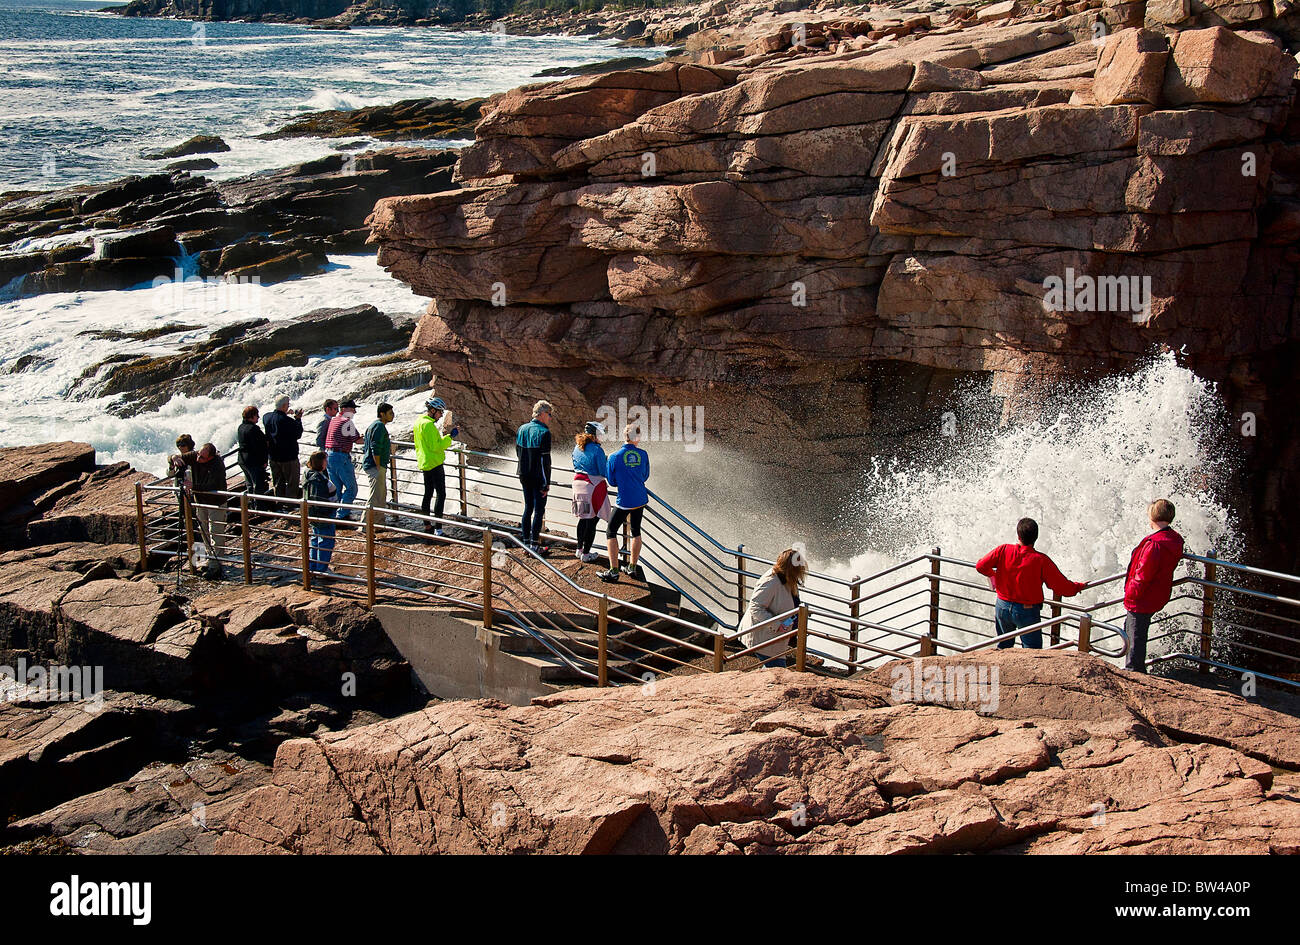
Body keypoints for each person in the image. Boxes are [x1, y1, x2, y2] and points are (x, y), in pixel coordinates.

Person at [975, 518, 1086, 649]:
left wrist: (994, 576)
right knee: (1032, 650)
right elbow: (1061, 587)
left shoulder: (1003, 550)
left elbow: (981, 566)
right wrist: (1079, 586)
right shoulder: (1041, 560)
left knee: (1004, 645)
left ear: (1018, 535)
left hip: (1002, 605)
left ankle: (1003, 668)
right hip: (1026, 610)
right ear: (1036, 537)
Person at [1122, 499, 1185, 673]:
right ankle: (1133, 668)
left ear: (1152, 517)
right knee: (1134, 633)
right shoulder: (1173, 539)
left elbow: (1143, 576)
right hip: (1157, 593)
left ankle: (1134, 672)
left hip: (1142, 598)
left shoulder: (1155, 544)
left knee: (1135, 637)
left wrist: (1130, 594)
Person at [598, 425, 650, 584]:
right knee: (635, 530)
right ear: (637, 438)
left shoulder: (614, 457)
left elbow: (612, 482)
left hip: (625, 500)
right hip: (640, 498)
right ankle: (632, 566)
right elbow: (645, 475)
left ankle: (614, 570)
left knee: (611, 531)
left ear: (624, 436)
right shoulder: (643, 454)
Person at [740, 548, 807, 668]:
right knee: (777, 672)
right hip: (765, 639)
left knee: (772, 671)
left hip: (774, 639)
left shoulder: (786, 579)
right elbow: (756, 607)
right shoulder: (772, 581)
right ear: (792, 569)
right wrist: (777, 624)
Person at [414, 397, 458, 536]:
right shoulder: (429, 425)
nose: (441, 415)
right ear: (432, 410)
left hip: (425, 462)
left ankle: (427, 525)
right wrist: (450, 437)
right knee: (441, 494)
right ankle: (438, 529)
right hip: (434, 464)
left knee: (428, 494)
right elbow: (436, 446)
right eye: (440, 412)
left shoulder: (419, 422)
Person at [516, 400, 553, 554]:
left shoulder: (522, 429)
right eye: (549, 415)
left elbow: (518, 452)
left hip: (523, 474)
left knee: (527, 508)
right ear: (542, 414)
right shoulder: (544, 433)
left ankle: (525, 544)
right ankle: (534, 546)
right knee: (538, 510)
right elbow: (545, 461)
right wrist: (546, 484)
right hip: (538, 477)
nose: (550, 418)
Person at [571, 421, 610, 563]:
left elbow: (575, 464)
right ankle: (586, 554)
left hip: (578, 485)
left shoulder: (577, 447)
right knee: (592, 521)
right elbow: (603, 471)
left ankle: (579, 549)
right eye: (600, 434)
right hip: (591, 487)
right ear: (595, 435)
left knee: (583, 518)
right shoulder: (597, 450)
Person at [190, 441, 227, 578]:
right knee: (204, 530)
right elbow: (177, 457)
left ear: (211, 457)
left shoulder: (217, 465)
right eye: (198, 455)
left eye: (202, 458)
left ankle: (215, 565)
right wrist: (173, 458)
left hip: (215, 502)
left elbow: (213, 484)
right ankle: (208, 559)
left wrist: (193, 486)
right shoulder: (196, 456)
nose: (198, 459)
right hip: (200, 501)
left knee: (215, 532)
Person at [324, 398, 363, 518]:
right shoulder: (346, 421)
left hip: (329, 456)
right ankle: (341, 515)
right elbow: (357, 440)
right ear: (345, 409)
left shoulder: (334, 419)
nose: (354, 412)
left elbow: (345, 435)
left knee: (337, 488)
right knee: (352, 488)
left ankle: (336, 514)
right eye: (353, 409)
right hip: (341, 457)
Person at [263, 394, 303, 499]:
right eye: (288, 405)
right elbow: (297, 434)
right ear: (285, 406)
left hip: (273, 456)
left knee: (277, 482)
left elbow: (275, 419)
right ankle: (290, 504)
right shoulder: (287, 421)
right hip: (288, 457)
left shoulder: (266, 417)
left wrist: (285, 413)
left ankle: (279, 504)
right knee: (292, 482)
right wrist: (297, 419)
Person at [165, 434, 199, 559]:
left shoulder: (194, 456)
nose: (180, 447)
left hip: (193, 493)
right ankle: (190, 549)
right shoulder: (176, 459)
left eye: (183, 445)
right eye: (178, 445)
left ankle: (198, 553)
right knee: (186, 521)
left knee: (196, 522)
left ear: (189, 445)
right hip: (181, 494)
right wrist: (171, 463)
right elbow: (170, 474)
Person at [302, 451, 337, 575]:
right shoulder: (319, 480)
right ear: (321, 463)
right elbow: (320, 500)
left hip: (312, 513)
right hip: (324, 515)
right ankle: (321, 569)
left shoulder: (308, 474)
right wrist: (328, 513)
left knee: (316, 538)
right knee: (326, 541)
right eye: (325, 460)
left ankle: (313, 566)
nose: (327, 463)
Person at [362, 402, 395, 516]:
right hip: (376, 465)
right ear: (382, 414)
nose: (393, 415)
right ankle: (366, 526)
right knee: (375, 496)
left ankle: (378, 523)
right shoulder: (379, 426)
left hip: (374, 464)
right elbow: (375, 447)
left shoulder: (374, 425)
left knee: (380, 495)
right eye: (390, 413)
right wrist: (378, 465)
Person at [237, 405, 270, 500]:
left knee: (250, 485)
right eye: (256, 415)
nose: (258, 417)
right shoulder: (253, 429)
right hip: (253, 461)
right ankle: (259, 509)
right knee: (258, 485)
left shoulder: (241, 427)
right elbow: (260, 447)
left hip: (243, 460)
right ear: (251, 416)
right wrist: (264, 461)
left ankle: (251, 507)